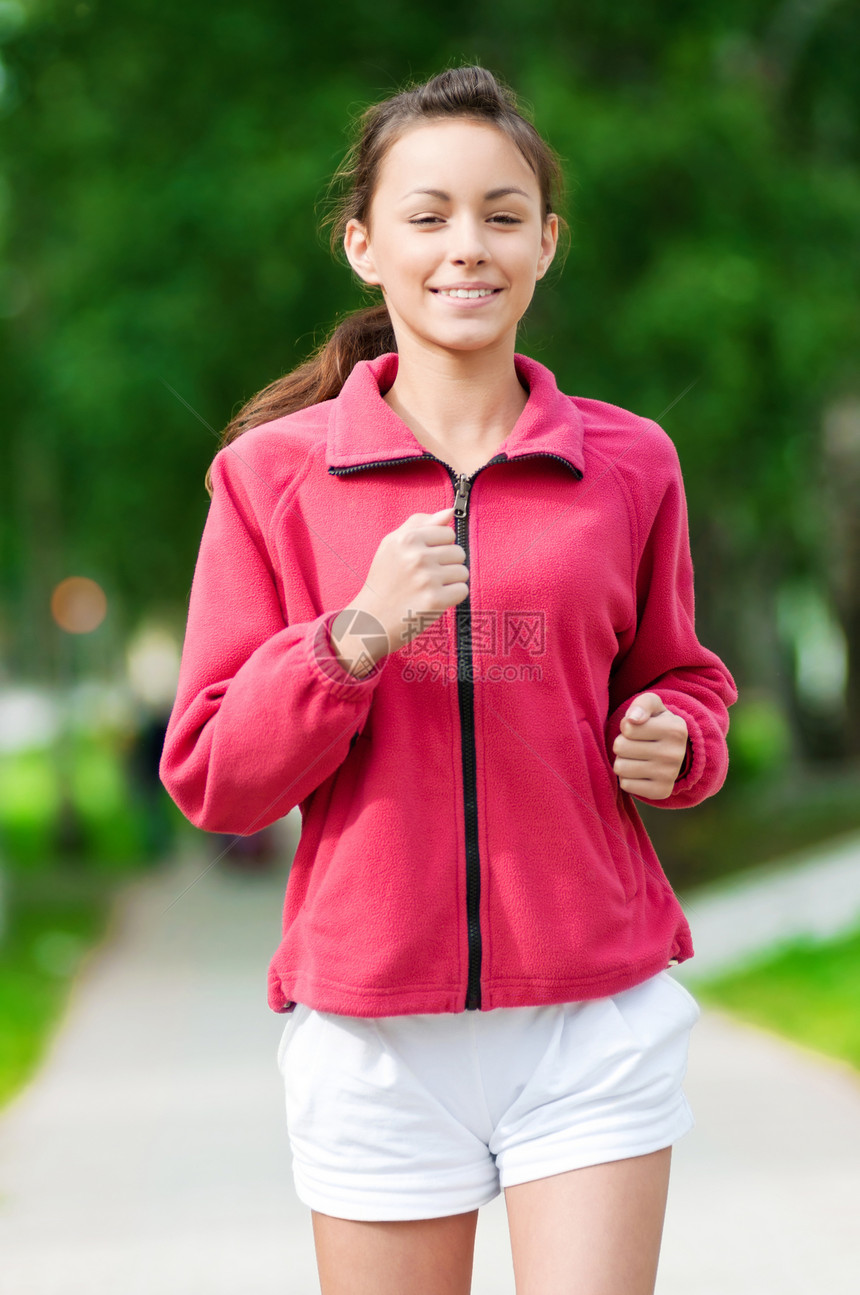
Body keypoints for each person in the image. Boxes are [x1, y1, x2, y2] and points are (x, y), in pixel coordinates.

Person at [159, 65, 737, 1295]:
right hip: (371, 1031)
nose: (464, 247)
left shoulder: (629, 463)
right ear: (362, 245)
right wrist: (352, 638)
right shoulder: (271, 477)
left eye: (501, 213)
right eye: (426, 216)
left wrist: (678, 739)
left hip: (591, 1012)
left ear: (545, 244)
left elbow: (683, 679)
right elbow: (213, 776)